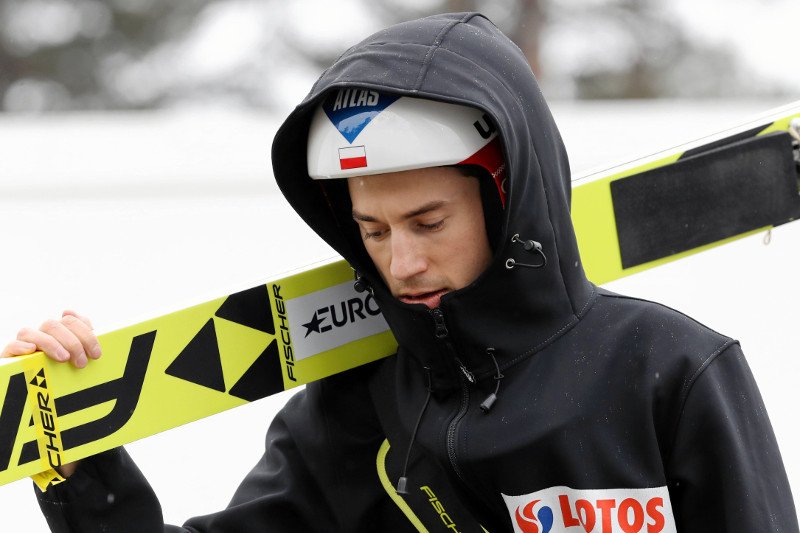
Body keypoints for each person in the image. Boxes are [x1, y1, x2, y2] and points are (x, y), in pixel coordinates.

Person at [3, 11, 798, 532]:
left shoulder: (670, 370)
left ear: (508, 198)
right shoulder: (357, 401)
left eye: (429, 221)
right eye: (372, 229)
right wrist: (78, 446)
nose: (402, 261)